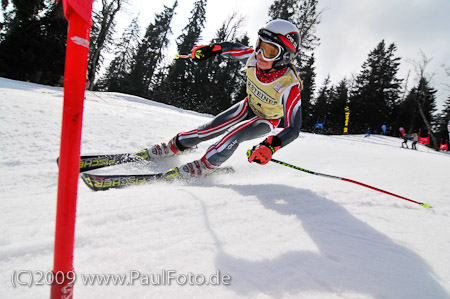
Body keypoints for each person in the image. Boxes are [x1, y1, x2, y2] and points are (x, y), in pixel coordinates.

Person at [145, 19, 303, 179]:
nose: (260, 55)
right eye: (260, 45)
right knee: (211, 128)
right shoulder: (252, 58)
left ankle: (206, 165)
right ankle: (174, 146)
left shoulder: (289, 86)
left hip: (267, 119)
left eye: (270, 51)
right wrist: (209, 50)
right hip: (248, 106)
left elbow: (293, 128)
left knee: (235, 135)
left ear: (284, 56)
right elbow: (232, 48)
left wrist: (270, 145)